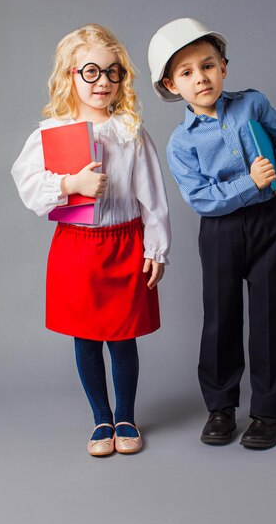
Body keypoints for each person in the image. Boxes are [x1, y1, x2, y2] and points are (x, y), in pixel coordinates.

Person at [12, 24, 171, 457]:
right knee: (85, 336)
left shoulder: (130, 130)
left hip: (124, 242)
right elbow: (28, 184)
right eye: (91, 71)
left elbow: (152, 196)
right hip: (76, 246)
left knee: (122, 336)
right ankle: (101, 417)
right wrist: (70, 183)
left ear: (122, 77)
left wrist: (156, 248)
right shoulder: (54, 131)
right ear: (70, 76)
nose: (103, 81)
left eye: (112, 72)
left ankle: (126, 416)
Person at [148, 18, 276, 449]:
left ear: (224, 68)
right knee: (221, 317)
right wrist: (248, 182)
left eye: (208, 65)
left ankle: (269, 414)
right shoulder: (180, 142)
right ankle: (220, 408)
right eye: (187, 72)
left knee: (272, 315)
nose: (201, 78)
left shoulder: (253, 104)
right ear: (171, 85)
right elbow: (200, 199)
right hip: (219, 232)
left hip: (267, 223)